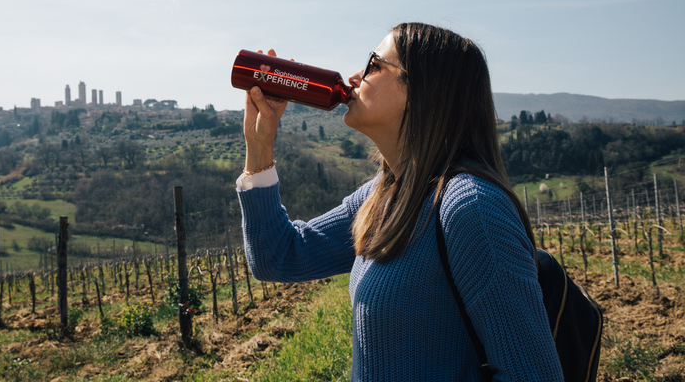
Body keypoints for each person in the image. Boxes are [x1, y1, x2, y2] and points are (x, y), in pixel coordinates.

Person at [236, 22, 563, 381]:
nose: (356, 75)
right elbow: (278, 256)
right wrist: (259, 146)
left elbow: (533, 374)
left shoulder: (472, 208)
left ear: (423, 91)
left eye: (375, 64)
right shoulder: (383, 196)